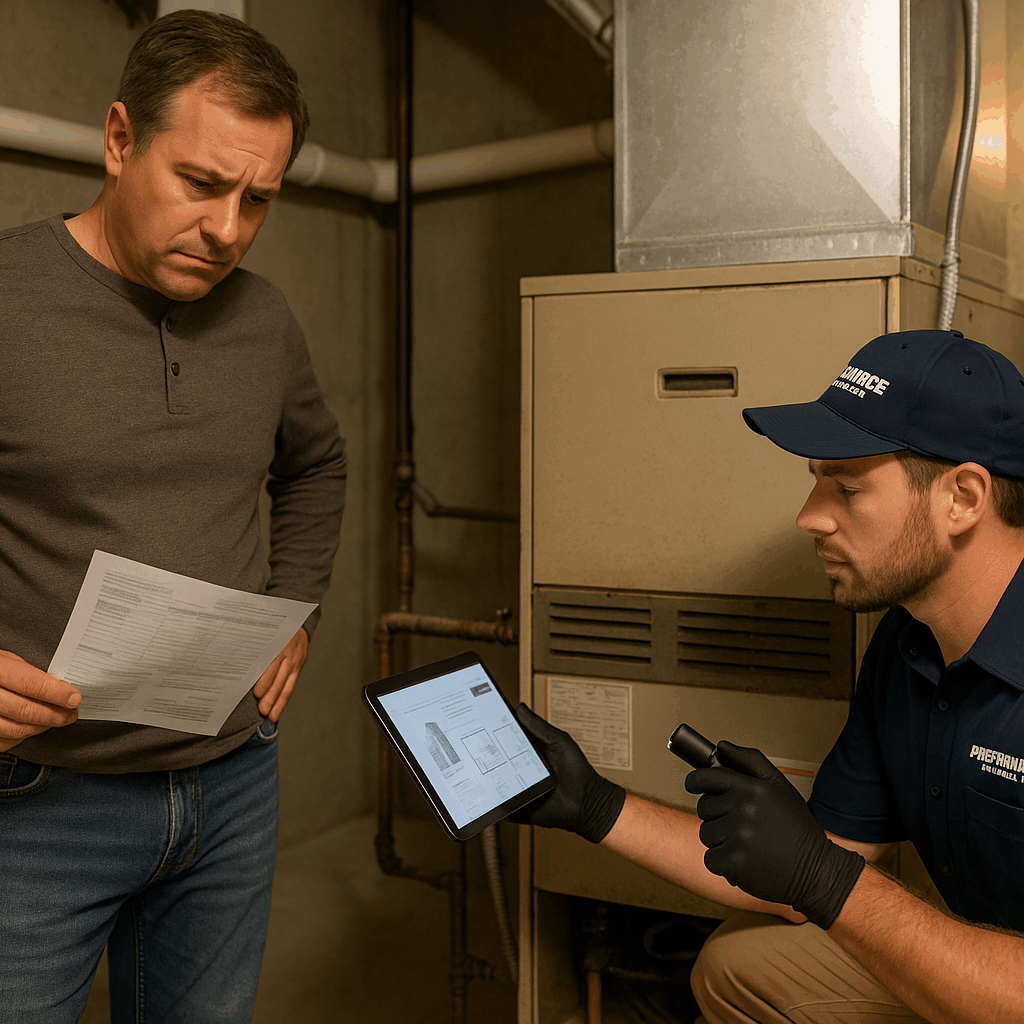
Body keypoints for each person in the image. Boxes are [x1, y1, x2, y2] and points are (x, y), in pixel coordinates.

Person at [516, 327, 1024, 1023]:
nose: (808, 518)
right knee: (739, 968)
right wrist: (594, 805)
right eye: (815, 482)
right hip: (987, 962)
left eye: (846, 489)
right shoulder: (907, 645)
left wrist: (827, 879)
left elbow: (827, 876)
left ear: (963, 498)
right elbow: (811, 871)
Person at [0, 11, 346, 1023]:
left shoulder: (266, 319)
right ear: (119, 141)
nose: (229, 228)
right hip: (39, 800)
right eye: (200, 184)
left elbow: (317, 463)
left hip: (231, 783)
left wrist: (296, 605)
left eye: (258, 200)